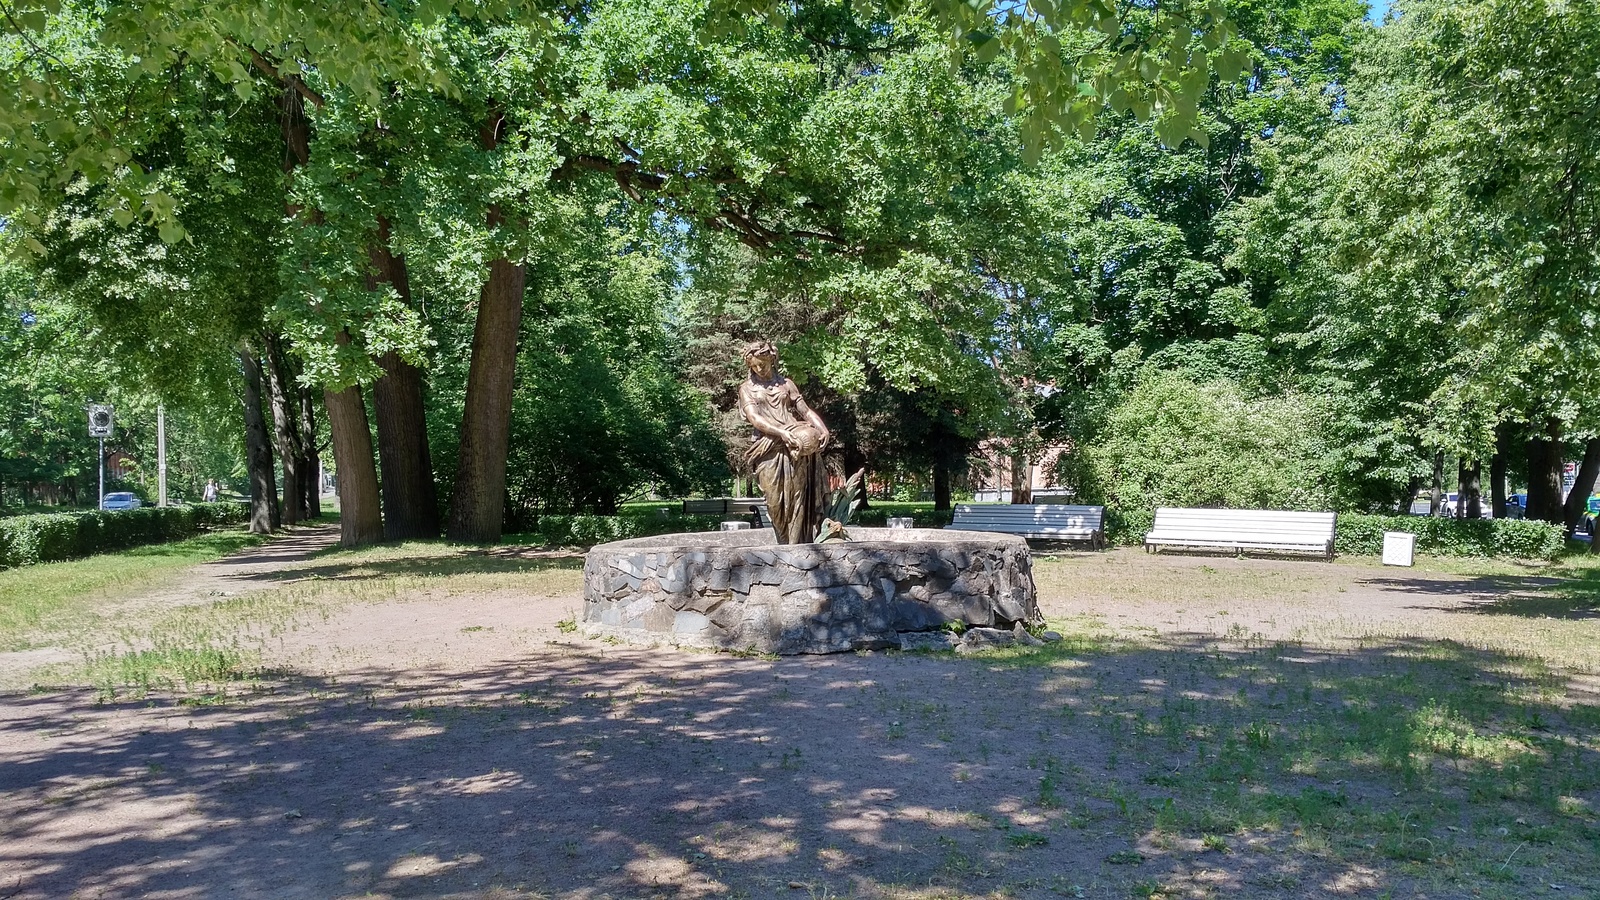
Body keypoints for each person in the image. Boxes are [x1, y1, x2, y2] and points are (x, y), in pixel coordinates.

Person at [738, 340, 830, 544]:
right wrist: (781, 432)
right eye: (754, 365)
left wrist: (822, 428)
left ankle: (797, 548)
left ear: (772, 359)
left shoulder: (786, 384)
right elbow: (755, 418)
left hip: (796, 446)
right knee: (774, 502)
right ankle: (783, 545)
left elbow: (804, 411)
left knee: (798, 499)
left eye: (763, 363)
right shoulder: (746, 388)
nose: (759, 368)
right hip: (767, 447)